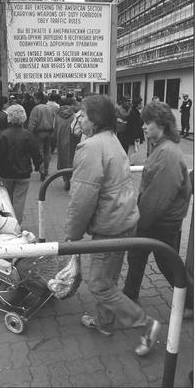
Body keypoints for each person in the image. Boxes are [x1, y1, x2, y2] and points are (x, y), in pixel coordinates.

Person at [64, 94, 161, 357]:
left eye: (82, 114)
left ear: (94, 119)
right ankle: (105, 324)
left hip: (111, 225)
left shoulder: (91, 147)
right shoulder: (110, 139)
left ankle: (146, 324)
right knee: (108, 280)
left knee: (99, 285)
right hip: (123, 219)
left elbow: (82, 197)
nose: (78, 118)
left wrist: (71, 235)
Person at [123, 101, 192, 304]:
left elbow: (158, 199)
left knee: (166, 264)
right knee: (139, 256)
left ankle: (190, 301)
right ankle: (129, 297)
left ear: (161, 124)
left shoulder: (167, 153)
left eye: (148, 122)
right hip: (159, 220)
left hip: (159, 222)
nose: (143, 126)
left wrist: (140, 222)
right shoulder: (162, 148)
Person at [0, 104, 42, 225]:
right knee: (19, 200)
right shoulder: (28, 135)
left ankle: (7, 223)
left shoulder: (1, 135)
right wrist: (38, 165)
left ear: (9, 117)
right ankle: (16, 224)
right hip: (23, 172)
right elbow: (36, 152)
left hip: (5, 172)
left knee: (7, 199)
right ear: (24, 117)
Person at [28, 91, 55, 181]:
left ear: (38, 99)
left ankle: (42, 170)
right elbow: (54, 121)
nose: (34, 100)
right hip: (49, 133)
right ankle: (46, 170)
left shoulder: (36, 109)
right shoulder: (50, 108)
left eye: (35, 98)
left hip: (38, 134)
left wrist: (29, 134)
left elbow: (32, 124)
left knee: (39, 152)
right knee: (47, 152)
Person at [53, 97, 79, 191]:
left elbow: (55, 130)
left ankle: (66, 180)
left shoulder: (57, 116)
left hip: (61, 142)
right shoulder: (74, 116)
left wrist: (55, 141)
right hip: (73, 141)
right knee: (72, 160)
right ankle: (72, 179)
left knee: (63, 160)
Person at [126, 96, 144, 165]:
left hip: (134, 134)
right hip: (133, 135)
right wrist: (136, 136)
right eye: (141, 103)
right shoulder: (133, 113)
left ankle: (131, 162)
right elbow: (134, 125)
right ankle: (130, 162)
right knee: (133, 148)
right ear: (138, 104)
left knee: (134, 148)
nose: (142, 105)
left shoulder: (135, 111)